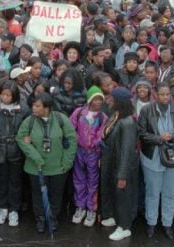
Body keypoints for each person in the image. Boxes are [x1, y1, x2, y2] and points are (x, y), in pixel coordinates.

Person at [16, 92, 77, 234]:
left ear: (47, 108)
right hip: (35, 168)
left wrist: (67, 163)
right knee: (37, 194)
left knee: (56, 194)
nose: (34, 109)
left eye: (38, 106)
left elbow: (72, 140)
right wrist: (36, 157)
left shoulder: (61, 119)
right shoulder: (29, 121)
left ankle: (52, 217)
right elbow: (20, 138)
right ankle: (40, 218)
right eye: (33, 105)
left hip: (58, 167)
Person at [137, 81, 174, 239]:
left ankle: (167, 224)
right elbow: (141, 133)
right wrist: (158, 138)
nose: (165, 97)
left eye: (167, 94)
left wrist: (173, 136)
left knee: (169, 193)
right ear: (155, 95)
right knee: (152, 192)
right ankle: (151, 222)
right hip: (152, 156)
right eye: (162, 94)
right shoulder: (147, 110)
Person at [99, 87, 139, 241]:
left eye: (112, 98)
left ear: (119, 102)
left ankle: (124, 227)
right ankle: (115, 218)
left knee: (123, 197)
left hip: (121, 166)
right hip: (111, 163)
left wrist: (122, 175)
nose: (108, 100)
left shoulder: (127, 122)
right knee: (114, 194)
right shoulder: (115, 116)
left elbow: (127, 151)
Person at [0, 80, 30, 228]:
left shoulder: (23, 109)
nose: (5, 97)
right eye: (3, 94)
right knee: (1, 180)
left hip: (16, 150)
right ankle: (2, 207)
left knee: (16, 181)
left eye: (8, 95)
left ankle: (14, 210)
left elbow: (28, 127)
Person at [69, 86, 107, 227]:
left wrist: (95, 143)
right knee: (78, 179)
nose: (97, 102)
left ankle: (91, 208)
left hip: (94, 153)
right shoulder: (79, 113)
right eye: (95, 99)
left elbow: (103, 133)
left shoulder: (103, 117)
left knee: (93, 181)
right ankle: (80, 206)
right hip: (79, 151)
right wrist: (77, 140)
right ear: (89, 100)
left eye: (100, 99)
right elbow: (70, 128)